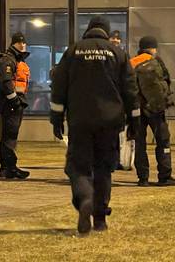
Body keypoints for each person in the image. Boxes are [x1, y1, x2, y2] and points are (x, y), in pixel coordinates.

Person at [50, 16, 139, 235]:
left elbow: (59, 86)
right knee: (104, 169)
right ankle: (99, 218)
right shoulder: (118, 53)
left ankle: (85, 199)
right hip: (110, 121)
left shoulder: (73, 51)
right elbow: (130, 90)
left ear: (89, 30)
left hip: (80, 120)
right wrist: (135, 121)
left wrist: (56, 118)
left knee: (78, 167)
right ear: (107, 33)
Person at [130, 36, 175, 187]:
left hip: (137, 109)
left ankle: (142, 178)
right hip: (155, 109)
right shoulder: (157, 61)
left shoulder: (131, 63)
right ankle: (165, 176)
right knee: (163, 140)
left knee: (140, 143)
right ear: (152, 48)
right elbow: (166, 80)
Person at [0, 32, 31, 179]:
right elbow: (6, 82)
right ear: (13, 44)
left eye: (24, 43)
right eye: (19, 43)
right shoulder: (8, 60)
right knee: (9, 135)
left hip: (16, 102)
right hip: (11, 103)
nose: (22, 45)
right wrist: (14, 100)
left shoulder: (16, 60)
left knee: (11, 135)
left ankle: (8, 167)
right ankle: (7, 168)